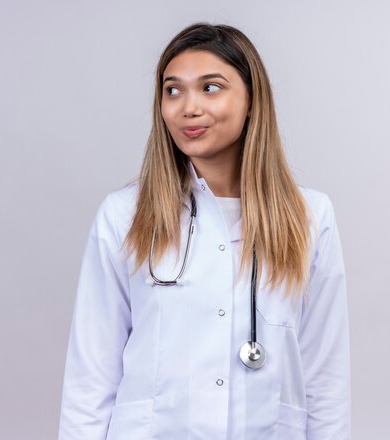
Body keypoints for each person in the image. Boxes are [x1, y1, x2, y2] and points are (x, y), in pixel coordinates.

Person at [58, 22, 350, 440]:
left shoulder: (308, 217)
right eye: (173, 90)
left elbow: (326, 376)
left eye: (211, 88)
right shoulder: (124, 215)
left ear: (252, 100)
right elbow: (90, 378)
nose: (187, 107)